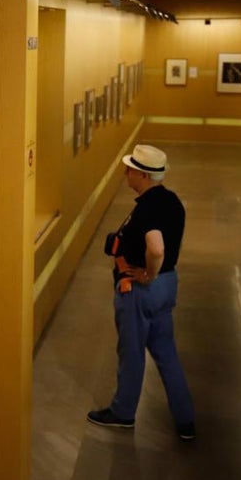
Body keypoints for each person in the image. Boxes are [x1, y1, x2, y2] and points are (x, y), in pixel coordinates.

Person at [87, 144, 196, 440]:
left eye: (131, 169)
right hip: (166, 287)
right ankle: (186, 420)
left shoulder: (148, 208)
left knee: (132, 353)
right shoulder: (171, 201)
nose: (126, 173)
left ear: (144, 175)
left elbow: (156, 247)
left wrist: (148, 273)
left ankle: (123, 413)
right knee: (166, 352)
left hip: (140, 290)